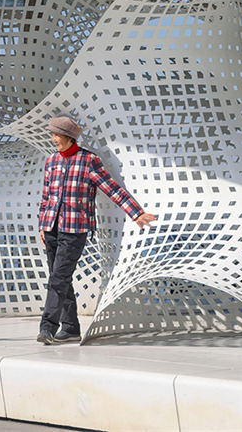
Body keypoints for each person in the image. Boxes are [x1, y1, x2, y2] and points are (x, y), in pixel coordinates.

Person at [37, 116, 157, 345]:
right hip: (51, 227)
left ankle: (47, 327)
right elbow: (46, 197)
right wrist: (43, 225)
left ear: (69, 137)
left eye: (57, 135)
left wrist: (136, 213)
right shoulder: (51, 161)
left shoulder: (88, 161)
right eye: (52, 135)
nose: (54, 139)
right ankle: (70, 328)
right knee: (59, 279)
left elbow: (112, 188)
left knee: (58, 278)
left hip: (74, 229)